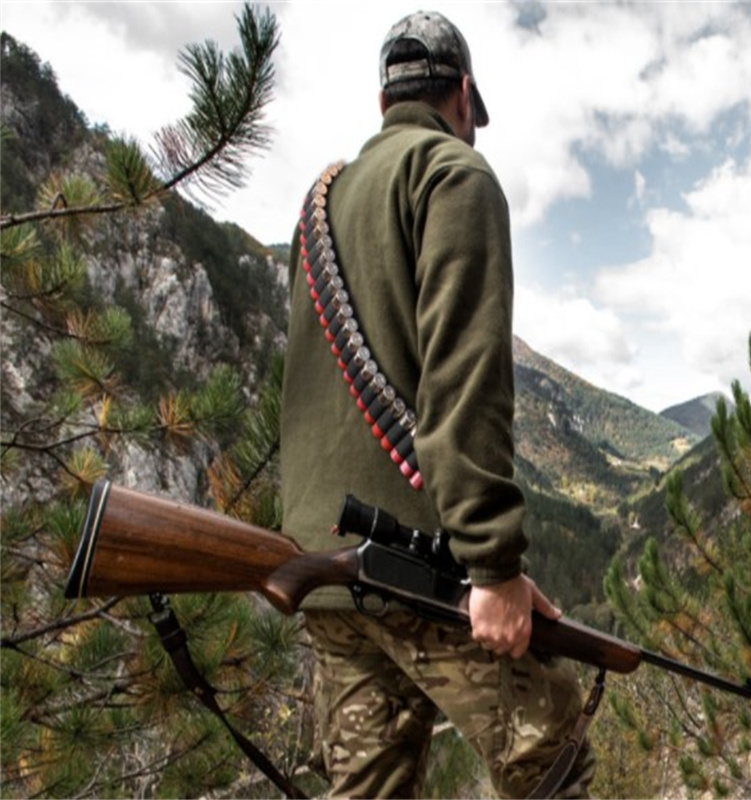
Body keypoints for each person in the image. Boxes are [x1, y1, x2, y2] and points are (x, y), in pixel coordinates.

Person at [280, 10, 595, 799]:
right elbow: (467, 380)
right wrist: (494, 565)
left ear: (383, 103)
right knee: (551, 749)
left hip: (323, 574)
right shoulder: (454, 174)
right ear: (462, 95)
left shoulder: (321, 204)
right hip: (413, 571)